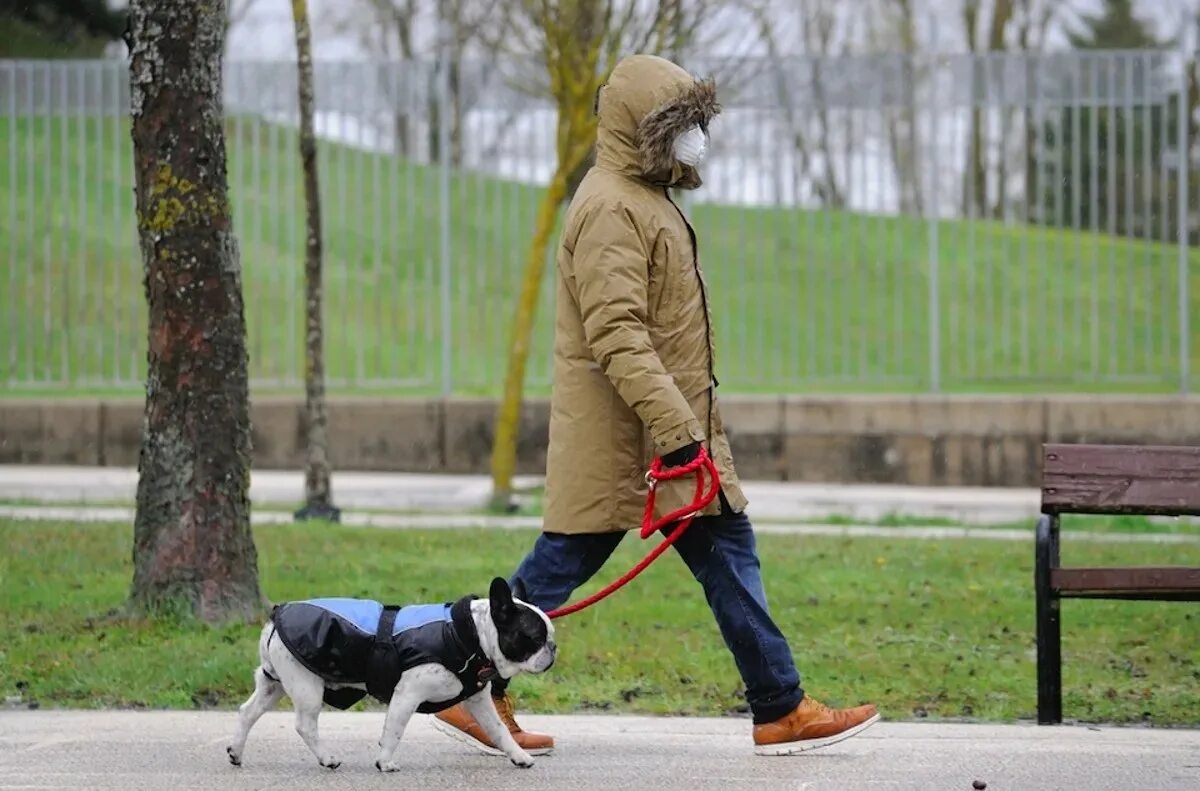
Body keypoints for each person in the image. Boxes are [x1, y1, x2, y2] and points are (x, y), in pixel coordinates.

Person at [433, 53, 879, 756]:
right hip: (635, 445)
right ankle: (468, 683)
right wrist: (677, 434)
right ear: (643, 129)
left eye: (698, 124)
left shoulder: (640, 198)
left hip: (662, 439)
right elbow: (619, 335)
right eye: (682, 124)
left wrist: (682, 431)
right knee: (560, 567)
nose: (696, 138)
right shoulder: (612, 206)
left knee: (725, 551)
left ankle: (780, 706)